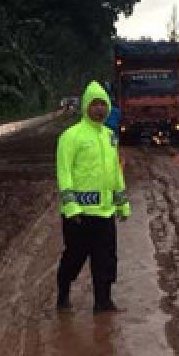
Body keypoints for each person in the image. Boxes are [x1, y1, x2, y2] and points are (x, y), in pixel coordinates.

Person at [56, 81, 131, 313]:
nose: (100, 109)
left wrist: (122, 203)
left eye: (103, 104)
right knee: (74, 258)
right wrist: (71, 207)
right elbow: (64, 172)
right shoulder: (71, 136)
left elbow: (115, 172)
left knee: (106, 260)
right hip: (79, 214)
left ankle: (103, 302)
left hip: (105, 212)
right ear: (86, 106)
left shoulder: (110, 136)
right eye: (95, 104)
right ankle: (63, 295)